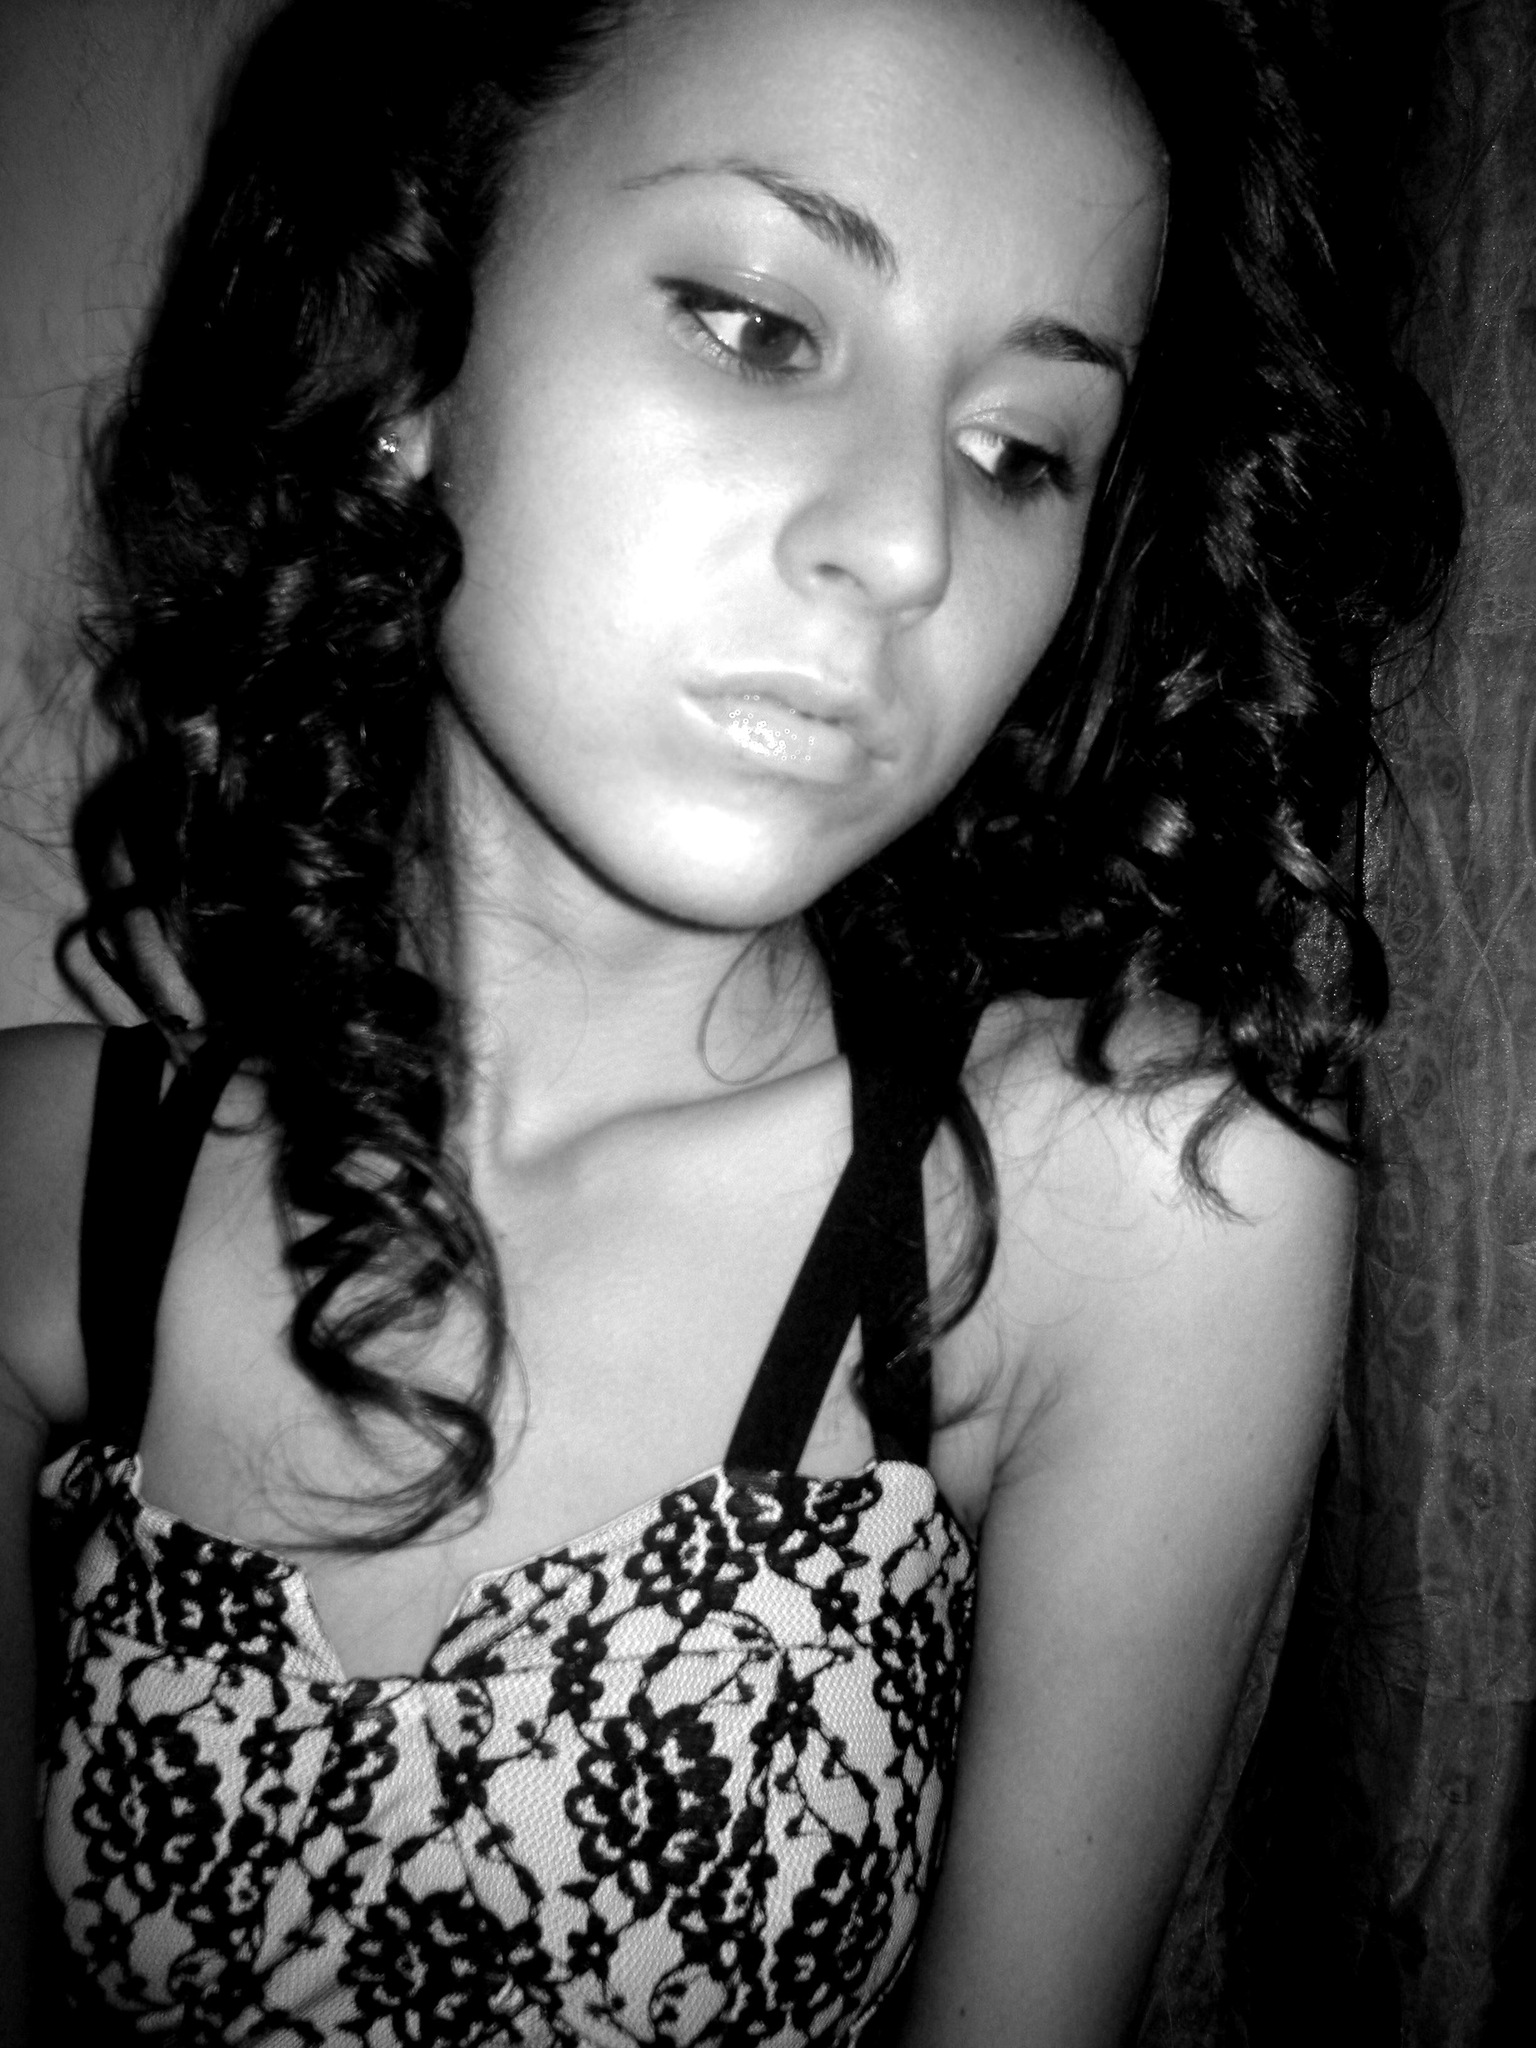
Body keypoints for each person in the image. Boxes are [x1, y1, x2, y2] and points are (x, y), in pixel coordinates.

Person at [0, 0, 1457, 2041]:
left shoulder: (1130, 1191)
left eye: (1020, 451)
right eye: (762, 330)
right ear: (406, 353)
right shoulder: (44, 1180)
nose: (912, 543)